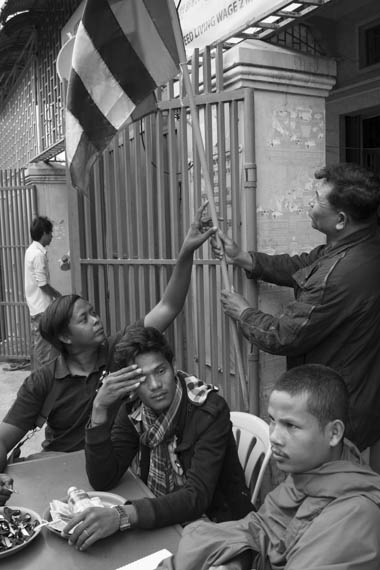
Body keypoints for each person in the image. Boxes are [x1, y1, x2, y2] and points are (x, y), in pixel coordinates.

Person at [0, 203, 217, 473]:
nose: (96, 320)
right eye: (84, 318)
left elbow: (168, 307)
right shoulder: (42, 382)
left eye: (93, 312)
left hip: (115, 472)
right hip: (62, 474)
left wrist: (186, 252)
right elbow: (4, 439)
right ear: (65, 337)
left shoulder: (119, 350)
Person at [211, 163, 380, 455]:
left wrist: (244, 313)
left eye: (316, 200)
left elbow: (285, 335)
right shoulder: (360, 243)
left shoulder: (338, 276)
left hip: (338, 410)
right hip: (363, 397)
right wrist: (245, 258)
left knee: (327, 486)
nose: (310, 206)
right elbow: (305, 265)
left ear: (340, 219)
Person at [157, 364, 380, 570]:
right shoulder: (311, 470)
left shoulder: (355, 515)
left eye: (291, 425)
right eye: (272, 420)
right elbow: (262, 527)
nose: (274, 436)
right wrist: (238, 561)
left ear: (334, 433)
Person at [62, 326, 253, 551]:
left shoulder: (209, 410)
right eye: (142, 378)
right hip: (164, 520)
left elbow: (197, 496)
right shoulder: (135, 409)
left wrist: (124, 515)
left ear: (173, 367)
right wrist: (99, 409)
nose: (154, 386)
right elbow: (103, 478)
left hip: (219, 526)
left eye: (160, 371)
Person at [24, 216, 62, 369]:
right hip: (42, 308)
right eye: (50, 233)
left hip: (36, 306)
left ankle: (37, 383)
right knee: (45, 352)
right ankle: (44, 385)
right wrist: (57, 295)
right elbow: (43, 284)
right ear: (44, 233)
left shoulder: (31, 250)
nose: (52, 236)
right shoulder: (38, 255)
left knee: (39, 348)